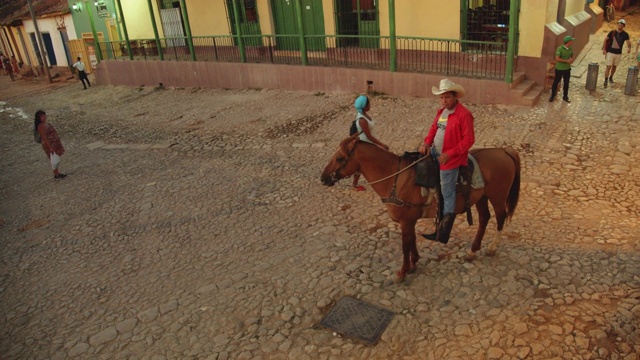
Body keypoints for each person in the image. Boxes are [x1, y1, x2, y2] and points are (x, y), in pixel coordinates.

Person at [418, 79, 475, 244]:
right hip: (436, 150)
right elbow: (434, 129)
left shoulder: (464, 115)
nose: (444, 101)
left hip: (451, 159)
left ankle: (443, 232)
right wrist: (426, 142)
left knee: (447, 192)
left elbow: (469, 140)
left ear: (455, 97)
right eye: (442, 97)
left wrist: (450, 154)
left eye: (447, 97)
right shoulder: (441, 112)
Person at [351, 95, 389, 191]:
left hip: (367, 141)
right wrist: (381, 145)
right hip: (365, 143)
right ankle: (355, 185)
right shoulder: (362, 120)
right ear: (365, 106)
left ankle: (355, 184)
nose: (370, 105)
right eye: (369, 103)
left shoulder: (363, 115)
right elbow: (369, 136)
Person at [35, 110, 67, 179]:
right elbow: (44, 137)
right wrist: (50, 147)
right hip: (50, 144)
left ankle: (57, 173)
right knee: (54, 159)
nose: (44, 117)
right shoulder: (41, 126)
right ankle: (56, 175)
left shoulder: (44, 124)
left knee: (55, 158)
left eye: (44, 116)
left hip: (53, 143)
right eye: (42, 116)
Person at [602, 19, 631, 88]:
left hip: (618, 53)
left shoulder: (625, 34)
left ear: (623, 26)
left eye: (621, 25)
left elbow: (628, 42)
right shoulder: (612, 32)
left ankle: (611, 77)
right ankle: (606, 79)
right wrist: (604, 49)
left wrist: (629, 48)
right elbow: (605, 40)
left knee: (614, 66)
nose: (620, 25)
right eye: (619, 24)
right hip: (610, 52)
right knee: (608, 66)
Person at [549, 36, 574, 103]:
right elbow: (557, 58)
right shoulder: (560, 49)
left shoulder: (571, 48)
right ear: (568, 42)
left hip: (567, 69)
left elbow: (572, 55)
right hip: (560, 68)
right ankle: (552, 95)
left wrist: (572, 59)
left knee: (566, 83)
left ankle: (565, 96)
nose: (572, 42)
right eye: (571, 41)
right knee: (556, 82)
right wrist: (566, 61)